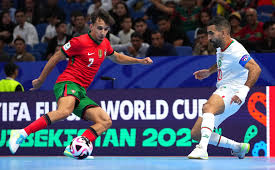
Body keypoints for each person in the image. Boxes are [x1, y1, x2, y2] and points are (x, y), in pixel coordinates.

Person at [8, 9, 153, 156]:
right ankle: (21, 133)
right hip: (67, 83)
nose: (103, 32)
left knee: (105, 121)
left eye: (106, 29)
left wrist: (139, 61)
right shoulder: (79, 41)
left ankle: (74, 147)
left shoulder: (105, 44)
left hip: (80, 91)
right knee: (65, 111)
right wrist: (40, 80)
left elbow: (116, 57)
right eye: (99, 28)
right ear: (91, 26)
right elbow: (55, 58)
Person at [188, 16, 261, 160]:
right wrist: (209, 71)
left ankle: (202, 149)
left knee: (208, 107)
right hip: (225, 92)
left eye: (211, 33)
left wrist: (244, 91)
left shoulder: (236, 50)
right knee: (196, 133)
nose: (209, 38)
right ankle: (238, 147)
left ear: (223, 33)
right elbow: (223, 62)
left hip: (233, 92)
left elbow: (256, 68)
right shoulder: (221, 47)